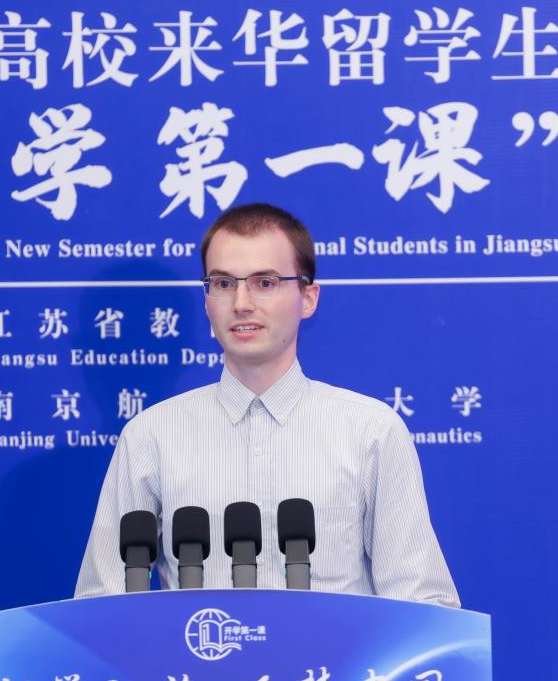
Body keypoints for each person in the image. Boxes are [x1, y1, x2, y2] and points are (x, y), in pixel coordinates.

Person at [74, 203, 459, 606]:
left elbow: (424, 605)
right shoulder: (151, 436)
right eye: (223, 283)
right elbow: (100, 605)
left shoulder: (370, 431)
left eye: (265, 282)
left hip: (328, 651)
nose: (241, 303)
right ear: (206, 301)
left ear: (308, 298)